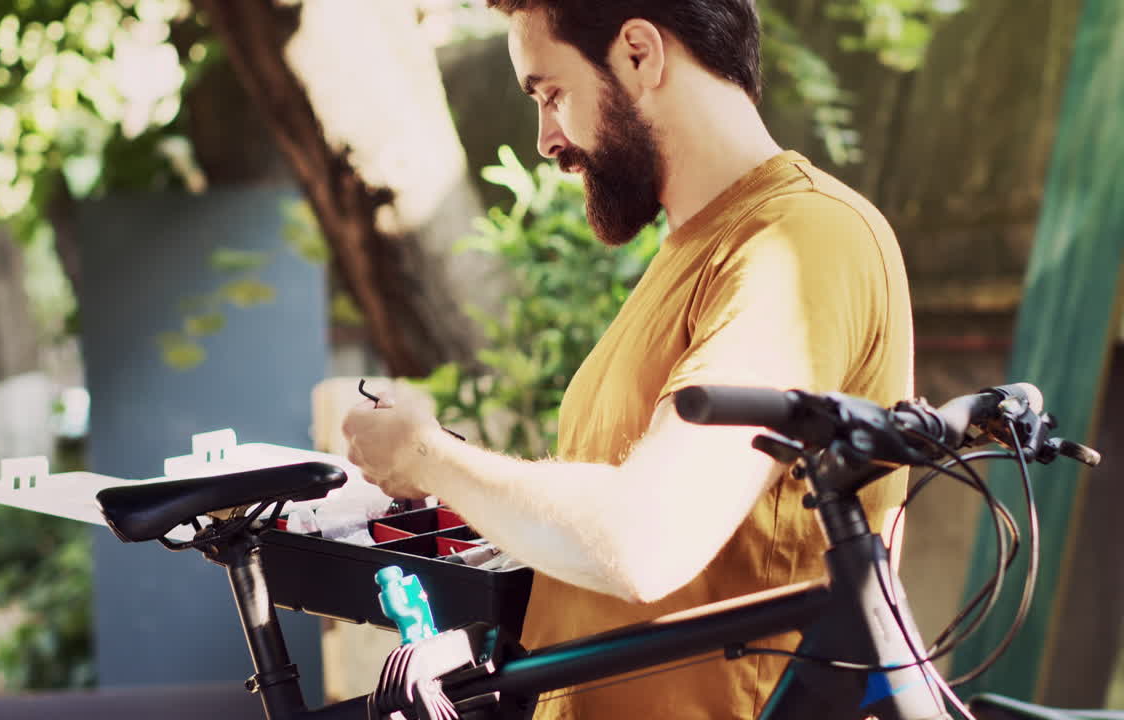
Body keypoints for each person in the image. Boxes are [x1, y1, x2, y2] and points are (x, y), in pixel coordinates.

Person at [341, 1, 914, 717]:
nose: (546, 139)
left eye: (551, 94)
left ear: (640, 54)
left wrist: (427, 456)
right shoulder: (698, 247)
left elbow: (647, 541)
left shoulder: (801, 242)